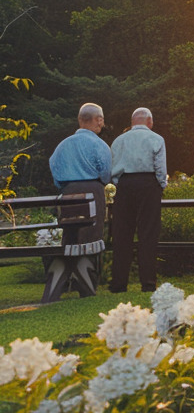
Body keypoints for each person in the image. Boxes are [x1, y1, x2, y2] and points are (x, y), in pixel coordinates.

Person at [46, 103, 111, 300]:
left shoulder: (63, 144)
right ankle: (87, 284)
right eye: (101, 120)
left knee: (71, 235)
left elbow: (54, 167)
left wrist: (64, 186)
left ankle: (65, 281)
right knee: (91, 236)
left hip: (68, 192)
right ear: (98, 120)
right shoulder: (99, 145)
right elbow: (106, 173)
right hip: (92, 190)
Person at [109, 107, 167, 293]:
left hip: (124, 185)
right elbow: (160, 168)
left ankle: (118, 283)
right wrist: (159, 186)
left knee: (121, 234)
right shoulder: (156, 139)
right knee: (148, 234)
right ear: (149, 122)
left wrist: (119, 183)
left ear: (133, 121)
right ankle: (148, 283)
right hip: (148, 184)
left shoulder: (119, 140)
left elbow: (113, 166)